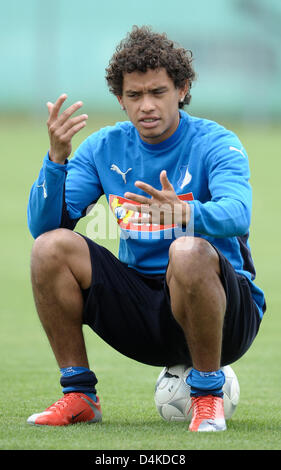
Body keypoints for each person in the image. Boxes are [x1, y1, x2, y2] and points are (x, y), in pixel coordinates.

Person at [26, 25, 265, 432]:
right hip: (145, 309)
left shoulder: (216, 142)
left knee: (187, 251)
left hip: (226, 316)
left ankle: (208, 396)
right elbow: (44, 227)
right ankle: (79, 395)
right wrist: (56, 160)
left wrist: (185, 214)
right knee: (50, 248)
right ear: (120, 99)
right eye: (134, 96)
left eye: (158, 92)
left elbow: (238, 213)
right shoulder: (104, 147)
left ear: (183, 89)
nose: (146, 106)